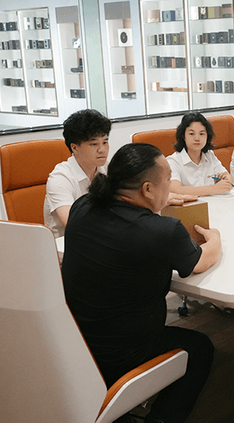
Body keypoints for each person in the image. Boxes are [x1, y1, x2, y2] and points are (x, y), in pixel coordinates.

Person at [62, 143, 221, 423]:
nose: (170, 186)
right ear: (147, 189)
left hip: (76, 341)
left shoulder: (82, 206)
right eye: (168, 179)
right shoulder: (163, 231)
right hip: (126, 352)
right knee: (201, 348)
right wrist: (215, 238)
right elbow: (201, 261)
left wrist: (155, 206)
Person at [44, 109, 111, 238]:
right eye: (94, 144)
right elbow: (74, 225)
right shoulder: (60, 178)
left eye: (105, 142)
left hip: (102, 238)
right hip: (66, 244)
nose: (102, 150)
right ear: (74, 148)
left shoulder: (108, 169)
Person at [167, 112, 234, 196]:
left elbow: (230, 179)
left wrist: (224, 181)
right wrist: (214, 188)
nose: (197, 138)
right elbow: (175, 189)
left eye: (202, 134)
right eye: (191, 134)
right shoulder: (173, 161)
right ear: (183, 136)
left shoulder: (209, 155)